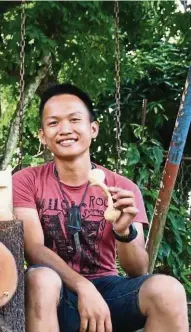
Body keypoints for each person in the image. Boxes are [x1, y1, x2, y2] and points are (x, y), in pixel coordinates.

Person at [12, 83, 189, 332]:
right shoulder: (25, 181)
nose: (65, 129)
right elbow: (33, 249)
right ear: (42, 136)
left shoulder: (122, 187)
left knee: (168, 290)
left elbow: (138, 269)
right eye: (53, 123)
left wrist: (124, 232)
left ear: (93, 128)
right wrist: (84, 287)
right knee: (39, 278)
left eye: (74, 119)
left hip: (109, 293)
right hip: (56, 294)